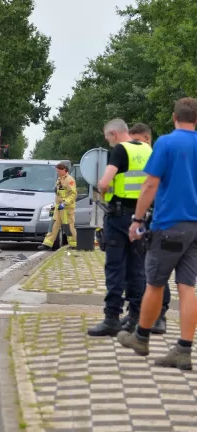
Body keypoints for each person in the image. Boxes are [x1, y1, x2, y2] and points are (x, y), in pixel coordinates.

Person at [118, 98, 197, 369]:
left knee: (155, 283)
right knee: (187, 287)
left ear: (175, 117)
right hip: (195, 228)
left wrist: (137, 219)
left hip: (169, 225)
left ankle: (141, 338)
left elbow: (150, 183)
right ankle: (183, 350)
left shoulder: (165, 143)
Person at [86, 118, 151, 337]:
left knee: (115, 268)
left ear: (114, 134)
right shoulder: (146, 149)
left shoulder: (120, 150)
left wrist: (103, 193)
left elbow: (104, 183)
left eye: (108, 138)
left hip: (118, 216)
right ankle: (135, 317)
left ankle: (112, 318)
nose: (109, 143)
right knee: (137, 268)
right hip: (141, 217)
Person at [120, 122, 168, 334]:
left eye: (138, 141)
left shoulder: (160, 155)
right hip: (142, 216)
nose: (134, 146)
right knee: (139, 267)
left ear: (148, 139)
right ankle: (136, 312)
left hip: (158, 218)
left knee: (157, 269)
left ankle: (160, 315)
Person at [37, 163, 78, 251]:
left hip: (66, 208)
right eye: (57, 171)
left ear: (64, 170)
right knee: (54, 224)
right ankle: (47, 243)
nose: (58, 173)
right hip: (59, 206)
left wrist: (65, 203)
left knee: (68, 226)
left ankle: (74, 244)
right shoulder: (60, 179)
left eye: (59, 171)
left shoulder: (70, 180)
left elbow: (73, 194)